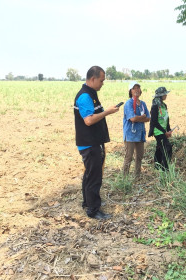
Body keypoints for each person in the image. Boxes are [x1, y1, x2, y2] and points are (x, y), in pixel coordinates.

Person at [74, 66, 119, 220]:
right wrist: (108, 111)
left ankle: (88, 202)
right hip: (89, 144)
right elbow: (88, 120)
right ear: (92, 79)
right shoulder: (85, 96)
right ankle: (93, 210)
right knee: (94, 177)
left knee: (89, 175)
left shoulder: (90, 94)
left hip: (92, 143)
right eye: (101, 80)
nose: (102, 84)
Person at [122, 81, 151, 177]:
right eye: (134, 88)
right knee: (128, 157)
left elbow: (148, 118)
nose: (137, 90)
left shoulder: (142, 104)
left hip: (140, 133)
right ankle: (124, 178)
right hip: (130, 134)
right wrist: (142, 117)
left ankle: (137, 176)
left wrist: (140, 118)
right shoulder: (128, 103)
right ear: (130, 91)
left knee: (140, 156)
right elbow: (132, 118)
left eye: (138, 88)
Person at [148, 87, 172, 170]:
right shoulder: (155, 106)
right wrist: (164, 132)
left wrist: (168, 129)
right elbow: (154, 121)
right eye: (165, 94)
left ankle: (157, 166)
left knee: (159, 147)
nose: (166, 95)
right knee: (167, 148)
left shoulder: (164, 105)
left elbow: (166, 118)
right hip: (158, 131)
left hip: (163, 131)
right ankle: (165, 168)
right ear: (161, 96)